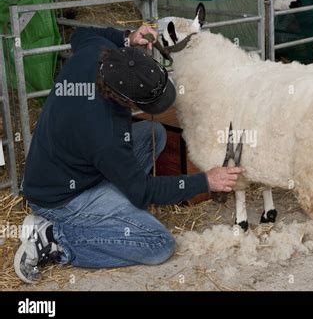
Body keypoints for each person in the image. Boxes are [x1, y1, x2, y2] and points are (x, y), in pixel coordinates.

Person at [14, 25, 244, 283]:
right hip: (62, 198)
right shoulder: (105, 132)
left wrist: (128, 36)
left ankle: (109, 197)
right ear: (124, 98)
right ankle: (54, 239)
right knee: (159, 245)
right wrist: (205, 181)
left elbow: (79, 33)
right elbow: (142, 191)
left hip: (60, 166)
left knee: (154, 133)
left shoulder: (97, 52)